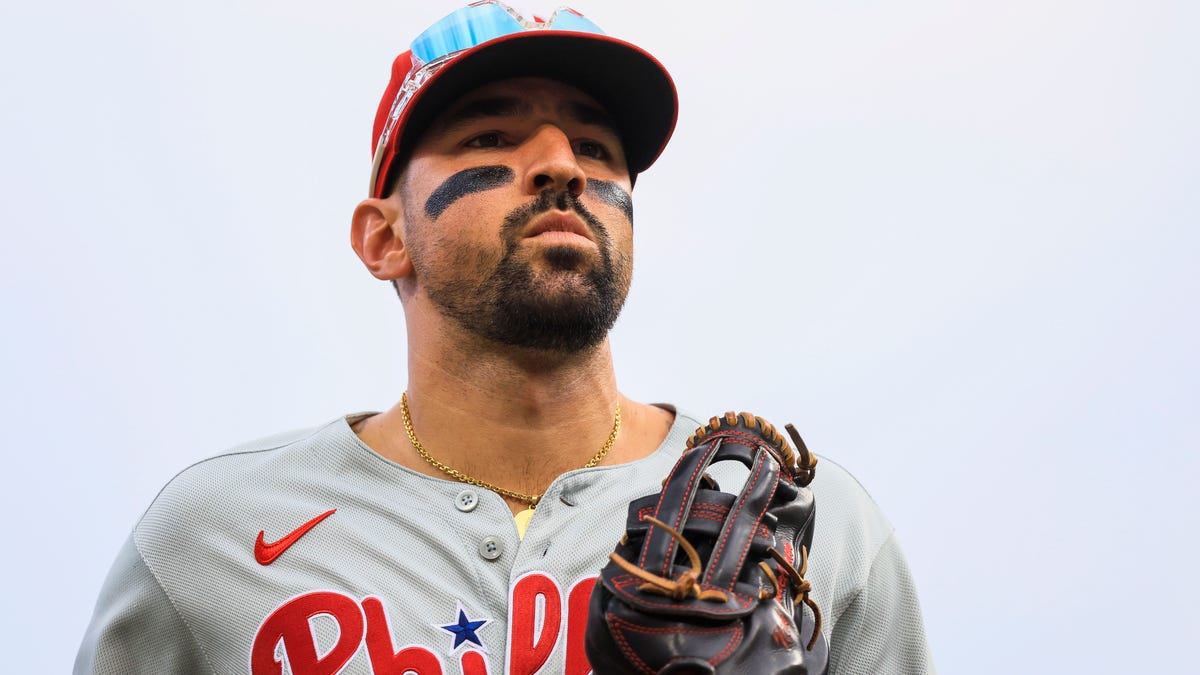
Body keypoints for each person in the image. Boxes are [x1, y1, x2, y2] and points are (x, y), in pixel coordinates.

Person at [76, 3, 934, 673]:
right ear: (385, 237)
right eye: (490, 134)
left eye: (597, 147)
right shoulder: (213, 539)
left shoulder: (809, 529)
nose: (563, 163)